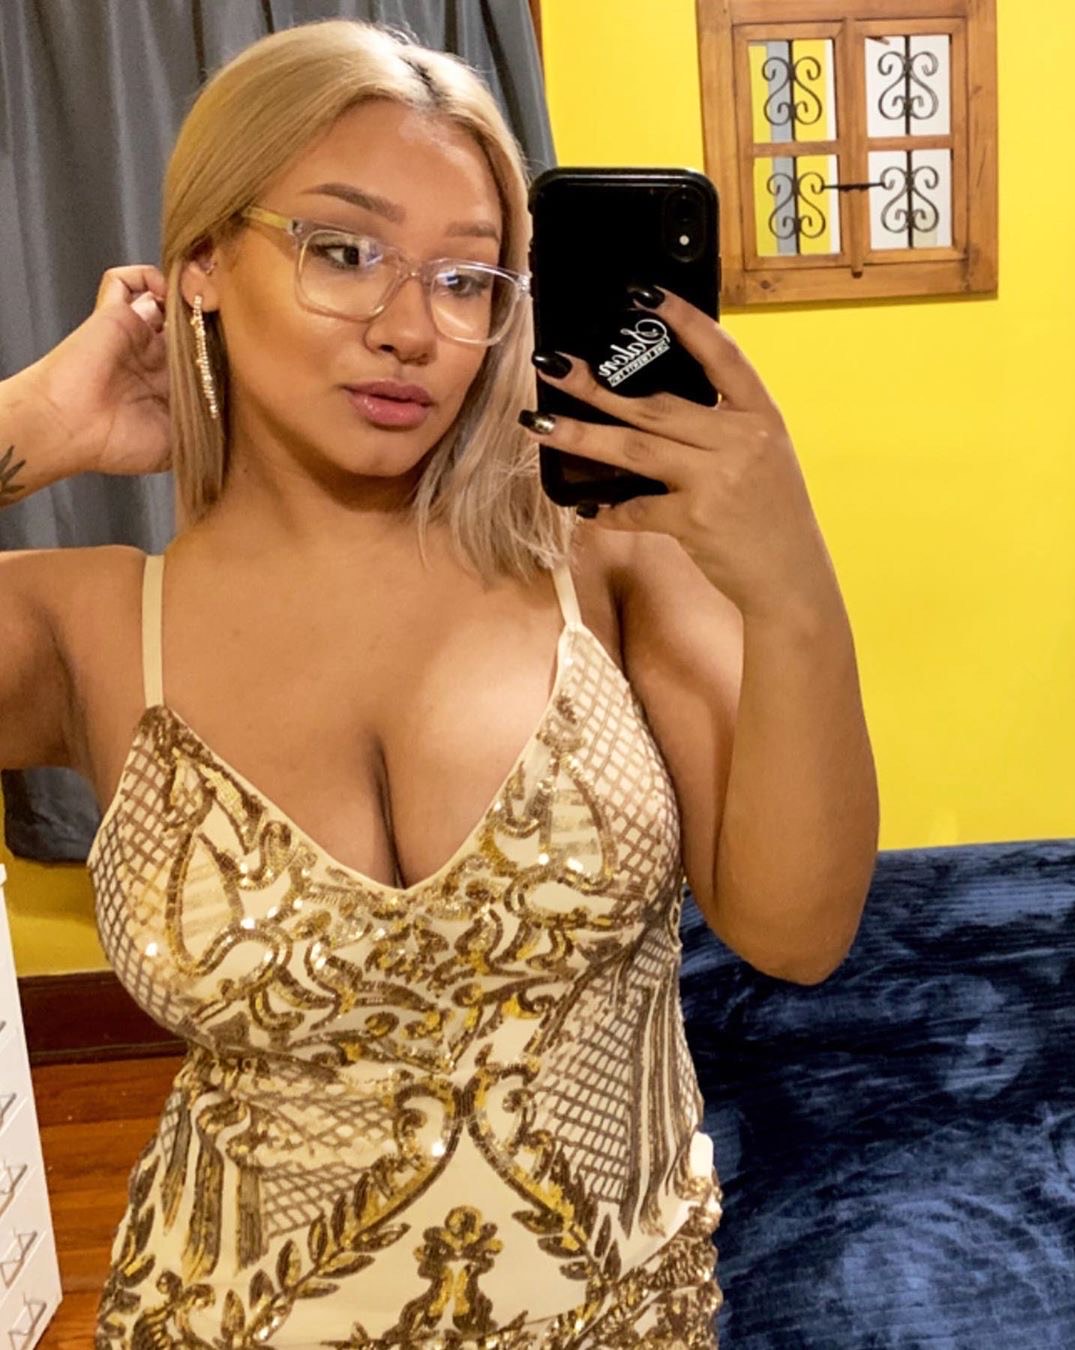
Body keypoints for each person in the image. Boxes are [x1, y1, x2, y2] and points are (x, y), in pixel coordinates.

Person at [0, 19, 879, 1349]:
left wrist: (792, 584)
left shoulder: (606, 559)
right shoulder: (94, 625)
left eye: (467, 277)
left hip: (618, 1318)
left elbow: (797, 931)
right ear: (201, 266)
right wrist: (36, 422)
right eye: (343, 251)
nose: (411, 328)